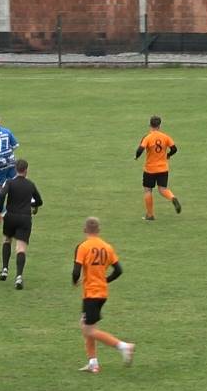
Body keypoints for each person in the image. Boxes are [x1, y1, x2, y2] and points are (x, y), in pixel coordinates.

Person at [72, 217, 133, 374]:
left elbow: (76, 272)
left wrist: (75, 281)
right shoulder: (107, 247)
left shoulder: (83, 247)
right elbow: (118, 270)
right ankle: (93, 363)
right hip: (102, 293)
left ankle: (123, 346)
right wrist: (105, 280)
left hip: (91, 293)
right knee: (86, 325)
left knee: (89, 330)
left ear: (85, 230)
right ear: (98, 230)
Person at [0, 159, 43, 289]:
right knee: (21, 248)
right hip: (25, 218)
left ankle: (5, 269)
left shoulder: (10, 182)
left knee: (7, 240)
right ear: (26, 170)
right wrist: (32, 205)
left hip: (10, 217)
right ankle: (19, 277)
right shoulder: (30, 185)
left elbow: (2, 195)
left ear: (16, 169)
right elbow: (39, 201)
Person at [136, 115, 182, 221]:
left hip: (150, 169)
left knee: (148, 190)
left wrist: (136, 157)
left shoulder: (147, 137)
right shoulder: (165, 137)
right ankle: (173, 198)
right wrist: (168, 155)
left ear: (150, 125)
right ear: (160, 126)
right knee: (162, 189)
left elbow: (140, 149)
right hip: (163, 169)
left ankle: (150, 215)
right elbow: (174, 149)